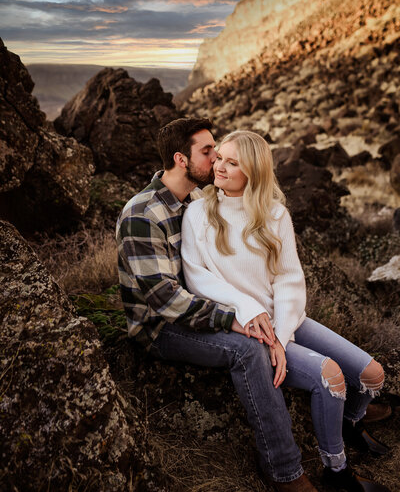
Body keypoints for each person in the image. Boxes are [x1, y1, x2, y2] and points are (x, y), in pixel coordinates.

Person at [180, 129, 392, 492]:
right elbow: (199, 279)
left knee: (373, 375)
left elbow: (289, 281)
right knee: (330, 376)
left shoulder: (275, 214)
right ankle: (336, 471)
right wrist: (258, 323)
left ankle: (349, 421)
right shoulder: (198, 212)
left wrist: (281, 335)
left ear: (254, 173)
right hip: (248, 327)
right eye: (220, 158)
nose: (220, 166)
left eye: (234, 163)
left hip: (285, 321)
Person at [116, 117, 317, 492]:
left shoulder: (194, 199)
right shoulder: (143, 214)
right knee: (248, 349)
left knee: (271, 326)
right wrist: (233, 319)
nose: (217, 159)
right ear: (181, 159)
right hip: (161, 327)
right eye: (208, 152)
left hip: (199, 307)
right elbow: (164, 299)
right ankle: (285, 471)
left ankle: (341, 394)